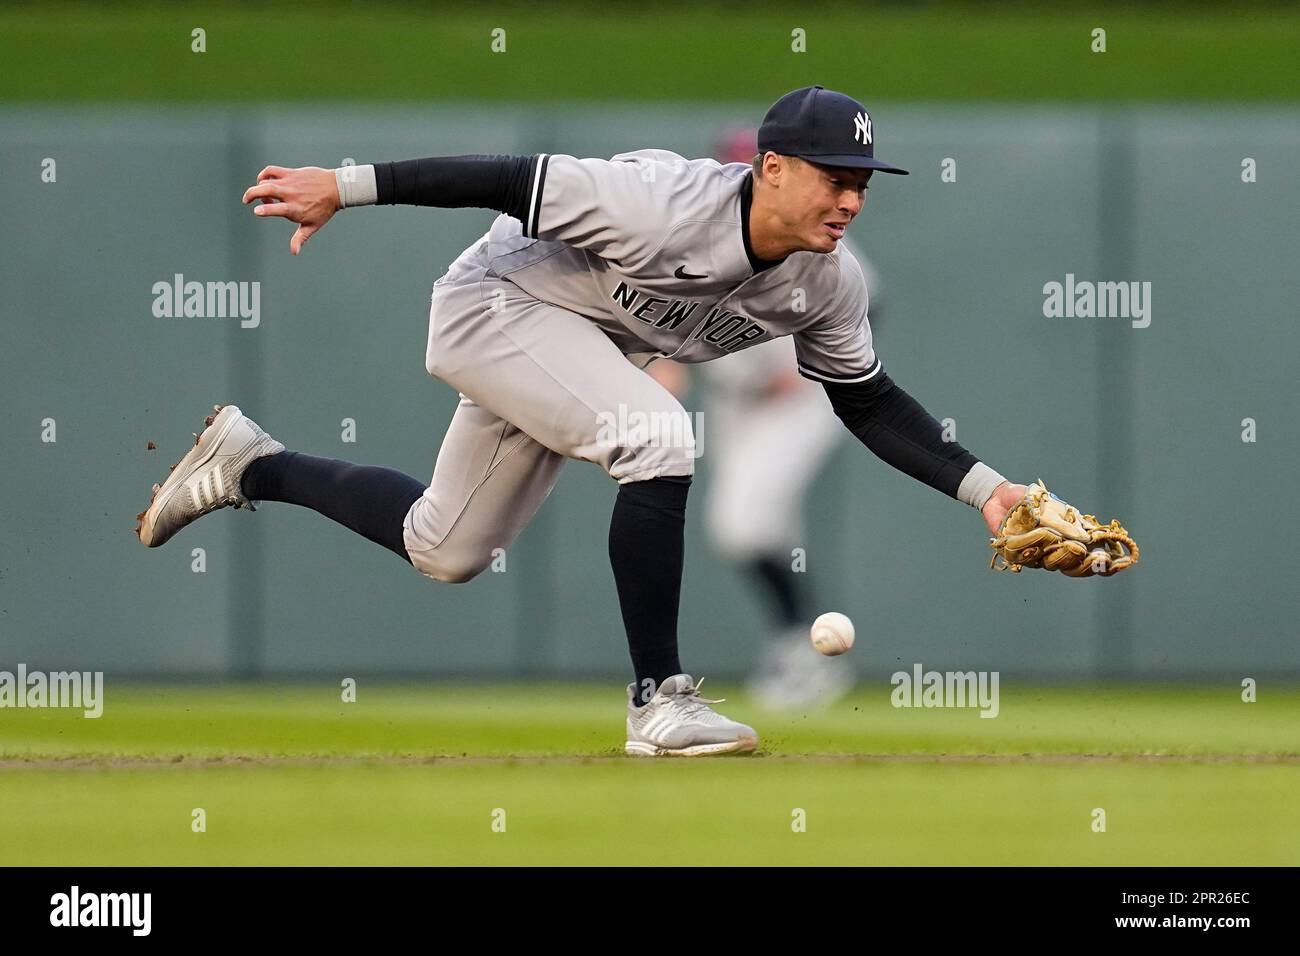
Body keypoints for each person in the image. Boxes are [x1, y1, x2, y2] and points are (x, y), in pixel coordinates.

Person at [136, 86, 1028, 756]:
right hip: (497, 305)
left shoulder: (826, 283)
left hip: (580, 347)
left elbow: (868, 401)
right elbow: (505, 177)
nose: (851, 200)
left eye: (864, 184)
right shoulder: (660, 200)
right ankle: (659, 700)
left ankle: (250, 463)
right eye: (835, 178)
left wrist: (989, 493)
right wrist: (345, 184)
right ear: (774, 167)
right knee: (659, 435)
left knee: (445, 548)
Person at [649, 127, 887, 711]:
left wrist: (810, 362)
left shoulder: (818, 237)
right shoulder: (700, 232)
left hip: (800, 400)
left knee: (742, 525)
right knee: (760, 531)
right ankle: (804, 650)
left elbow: (869, 302)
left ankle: (804, 654)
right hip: (736, 401)